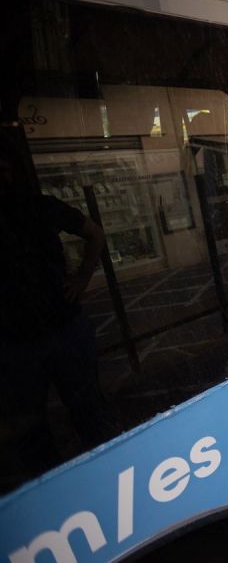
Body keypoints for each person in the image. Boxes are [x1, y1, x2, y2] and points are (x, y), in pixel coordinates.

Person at [0, 151, 117, 484]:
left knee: (87, 410)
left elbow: (95, 232)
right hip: (17, 339)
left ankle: (108, 474)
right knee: (32, 427)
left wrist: (81, 277)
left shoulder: (37, 206)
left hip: (60, 325)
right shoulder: (37, 206)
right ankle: (56, 487)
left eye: (5, 168)